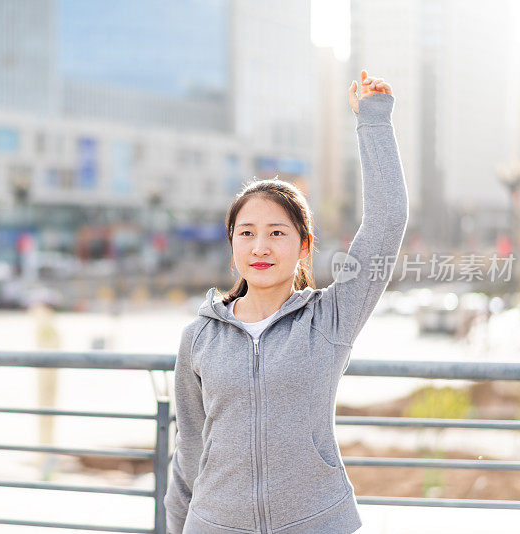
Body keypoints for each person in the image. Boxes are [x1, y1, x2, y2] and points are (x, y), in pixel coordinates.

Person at [164, 70, 408, 534]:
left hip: (317, 523)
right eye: (247, 233)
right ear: (232, 244)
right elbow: (191, 446)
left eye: (277, 233)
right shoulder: (198, 337)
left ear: (302, 246)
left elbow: (387, 219)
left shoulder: (332, 318)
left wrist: (374, 120)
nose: (261, 248)